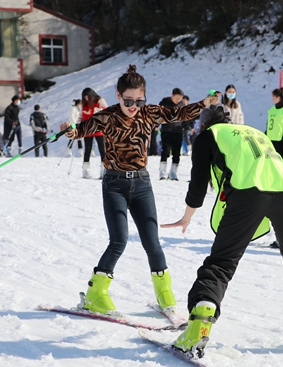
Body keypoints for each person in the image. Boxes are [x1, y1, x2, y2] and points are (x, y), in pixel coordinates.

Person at [161, 103, 283, 358]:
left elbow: (198, 185)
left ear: (205, 124)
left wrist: (185, 218)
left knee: (221, 262)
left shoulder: (209, 136)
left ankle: (198, 327)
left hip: (250, 192)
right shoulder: (251, 131)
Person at [59, 64, 219, 317]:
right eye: (128, 100)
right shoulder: (107, 116)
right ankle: (94, 295)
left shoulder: (150, 113)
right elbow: (79, 132)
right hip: (114, 185)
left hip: (142, 184)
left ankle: (164, 294)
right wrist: (68, 129)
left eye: (139, 100)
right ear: (118, 96)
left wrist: (205, 102)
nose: (133, 106)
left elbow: (179, 113)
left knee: (152, 242)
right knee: (119, 240)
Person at [80, 88, 108, 179]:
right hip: (87, 129)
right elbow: (80, 116)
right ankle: (85, 170)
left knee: (102, 149)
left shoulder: (100, 101)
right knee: (87, 149)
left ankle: (104, 170)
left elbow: (105, 110)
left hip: (98, 129)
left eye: (87, 97)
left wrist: (92, 111)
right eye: (84, 98)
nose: (86, 99)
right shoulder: (84, 103)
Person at [159, 88, 186, 180]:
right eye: (177, 98)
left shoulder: (182, 105)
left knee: (176, 153)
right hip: (166, 130)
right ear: (172, 95)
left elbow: (185, 117)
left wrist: (186, 126)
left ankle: (173, 173)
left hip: (178, 131)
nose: (178, 100)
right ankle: (162, 172)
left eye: (180, 98)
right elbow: (158, 114)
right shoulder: (164, 103)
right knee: (165, 150)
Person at [266, 87, 283, 157]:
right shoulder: (272, 110)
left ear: (279, 97)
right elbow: (268, 124)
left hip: (281, 140)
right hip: (270, 138)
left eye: (274, 97)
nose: (273, 99)